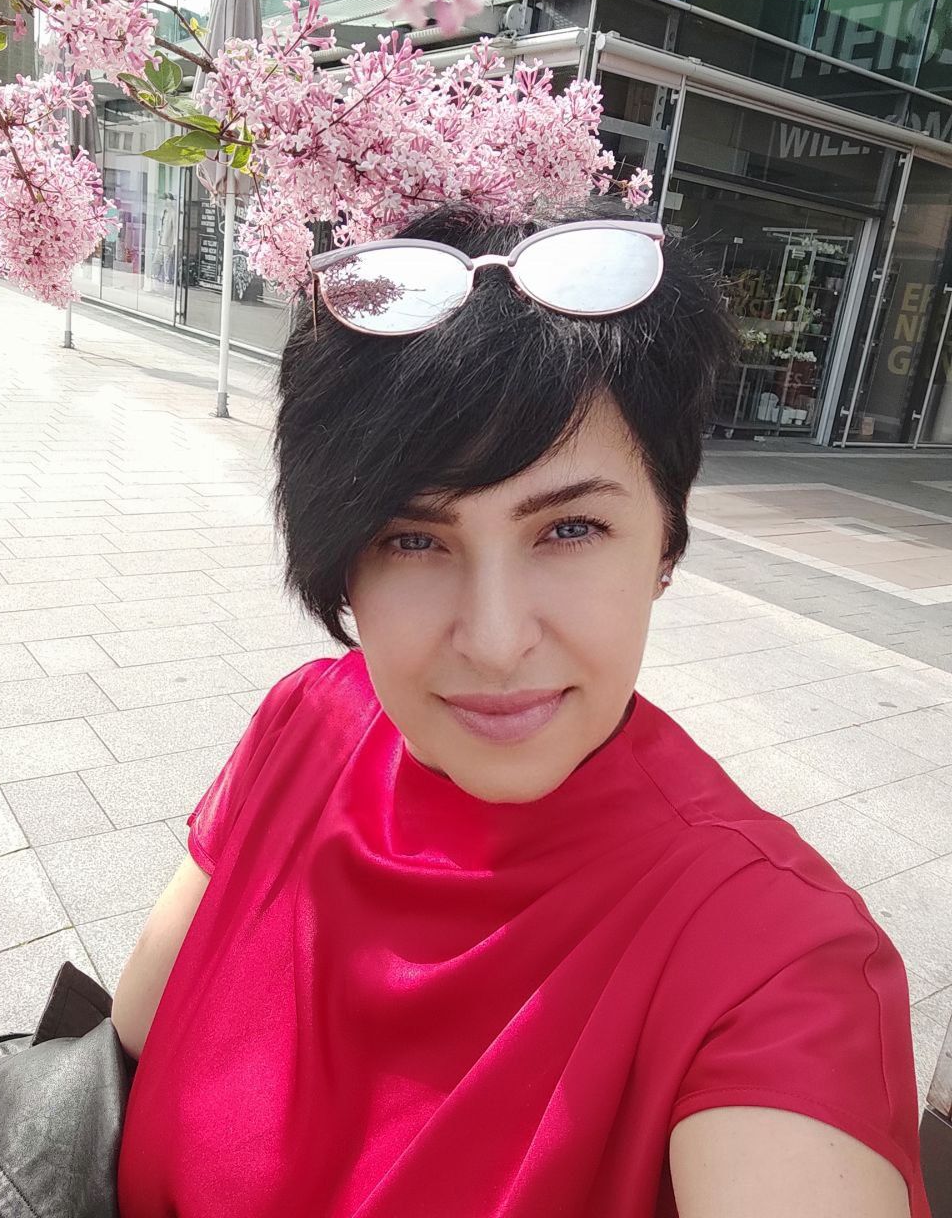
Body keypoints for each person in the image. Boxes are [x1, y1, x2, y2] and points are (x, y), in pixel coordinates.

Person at [111, 197, 929, 1218]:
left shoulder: (772, 961)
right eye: (412, 539)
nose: (495, 642)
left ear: (666, 544)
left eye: (570, 528)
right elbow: (126, 1037)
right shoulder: (302, 727)